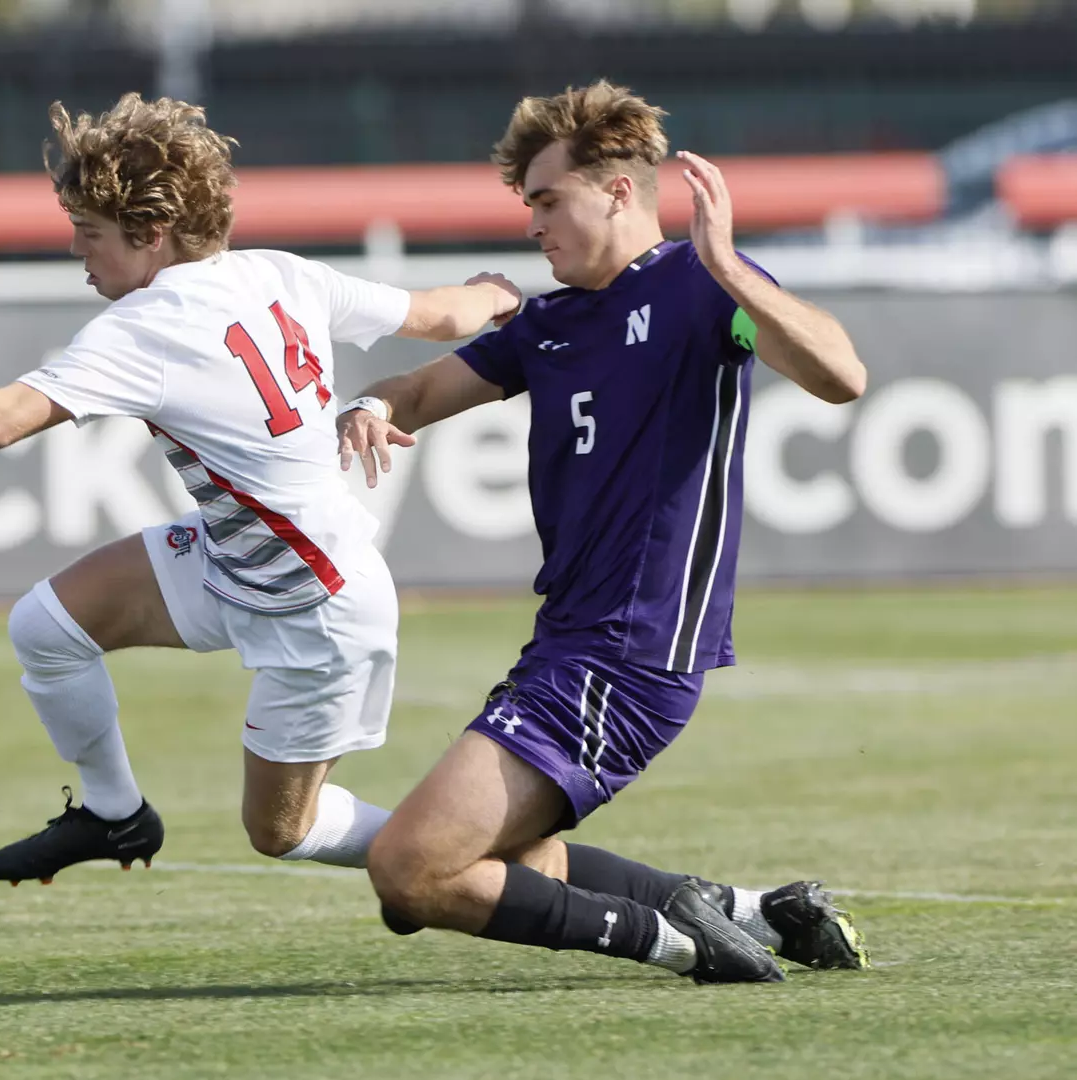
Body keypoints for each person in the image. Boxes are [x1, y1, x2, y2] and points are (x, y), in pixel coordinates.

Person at [0, 93, 522, 885]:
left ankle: (457, 855)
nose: (80, 255)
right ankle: (115, 816)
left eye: (90, 235)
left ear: (152, 235)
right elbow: (436, 313)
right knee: (47, 626)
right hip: (242, 564)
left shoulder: (150, 323)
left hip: (313, 601)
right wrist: (496, 294)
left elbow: (0, 422)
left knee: (281, 830)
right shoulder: (279, 273)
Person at [336, 81, 871, 983]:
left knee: (409, 869)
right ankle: (750, 915)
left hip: (629, 653)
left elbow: (842, 375)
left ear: (619, 192)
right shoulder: (547, 326)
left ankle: (684, 945)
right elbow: (414, 394)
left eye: (549, 201)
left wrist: (732, 265)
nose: (534, 224)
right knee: (466, 868)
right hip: (569, 645)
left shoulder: (702, 288)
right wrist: (364, 403)